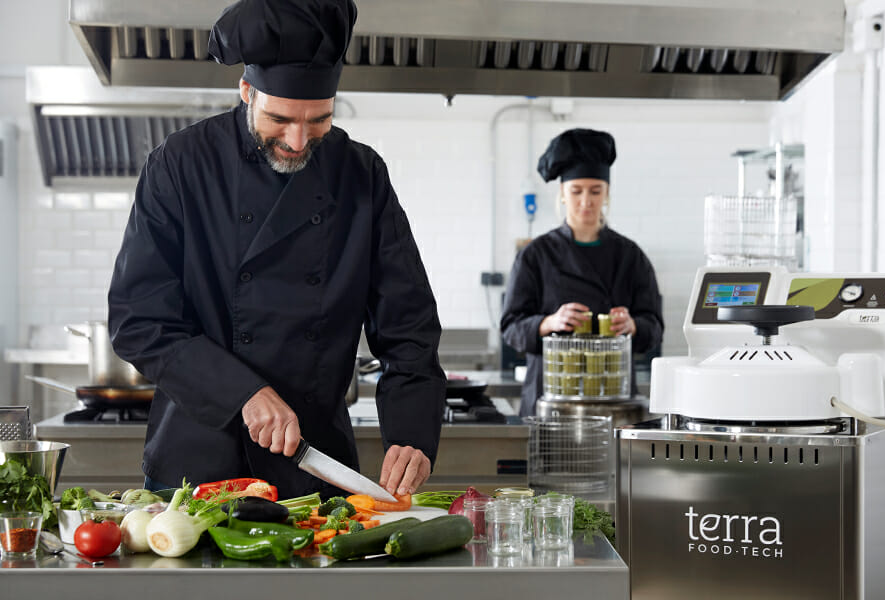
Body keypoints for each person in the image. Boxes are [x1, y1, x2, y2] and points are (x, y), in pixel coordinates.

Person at [107, 0, 446, 500]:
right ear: (246, 91)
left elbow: (408, 325)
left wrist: (412, 435)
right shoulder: (180, 166)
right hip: (198, 462)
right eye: (282, 118)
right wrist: (240, 392)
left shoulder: (361, 174)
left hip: (315, 463)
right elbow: (139, 321)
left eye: (319, 121)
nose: (298, 139)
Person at [501, 128, 664, 416]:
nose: (586, 201)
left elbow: (654, 327)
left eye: (595, 191)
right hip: (551, 402)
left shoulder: (630, 256)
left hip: (614, 402)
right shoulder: (536, 255)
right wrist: (549, 322)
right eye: (576, 191)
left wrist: (633, 325)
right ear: (563, 194)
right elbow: (511, 327)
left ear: (607, 194)